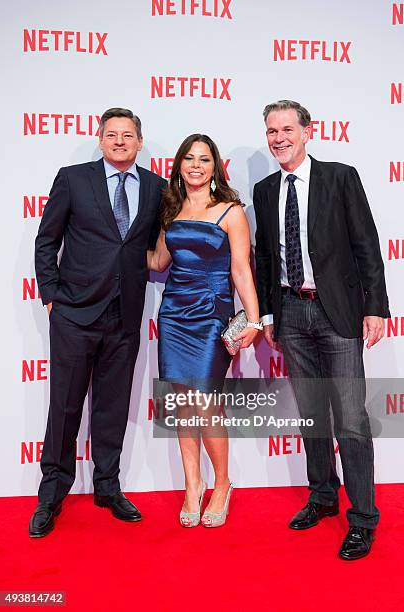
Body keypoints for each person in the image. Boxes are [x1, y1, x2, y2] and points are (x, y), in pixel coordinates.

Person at [254, 100, 390, 560]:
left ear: (308, 132)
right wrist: (270, 315)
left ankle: (364, 519)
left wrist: (375, 307)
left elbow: (367, 243)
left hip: (338, 313)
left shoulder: (340, 176)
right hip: (291, 313)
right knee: (312, 414)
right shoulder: (264, 188)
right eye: (272, 131)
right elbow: (266, 258)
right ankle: (323, 496)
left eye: (287, 129)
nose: (279, 139)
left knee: (351, 418)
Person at [30, 108, 166, 537]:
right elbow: (47, 240)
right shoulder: (73, 178)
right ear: (100, 139)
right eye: (112, 135)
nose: (120, 141)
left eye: (128, 135)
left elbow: (150, 246)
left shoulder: (156, 187)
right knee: (65, 407)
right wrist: (52, 298)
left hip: (124, 315)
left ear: (140, 142)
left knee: (112, 407)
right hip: (73, 313)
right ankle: (52, 492)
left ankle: (108, 486)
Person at [148, 134, 261, 527]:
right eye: (189, 159)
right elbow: (160, 260)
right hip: (174, 315)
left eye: (205, 159)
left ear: (215, 167)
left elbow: (241, 270)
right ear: (179, 164)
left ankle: (223, 483)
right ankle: (192, 485)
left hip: (212, 315)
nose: (196, 165)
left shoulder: (231, 211)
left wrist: (254, 319)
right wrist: (108, 247)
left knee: (207, 402)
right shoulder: (171, 209)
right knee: (182, 403)